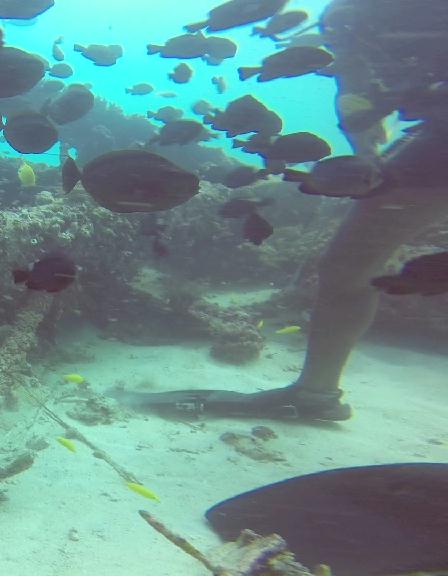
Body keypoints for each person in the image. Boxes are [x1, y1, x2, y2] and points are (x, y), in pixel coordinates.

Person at [121, 0, 448, 421]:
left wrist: (368, 165)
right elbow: (355, 93)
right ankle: (315, 394)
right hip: (436, 134)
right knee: (352, 266)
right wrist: (366, 169)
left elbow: (354, 92)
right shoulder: (351, 18)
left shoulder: (350, 17)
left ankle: (314, 395)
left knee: (351, 266)